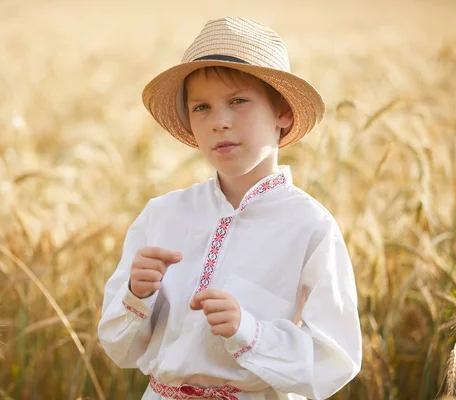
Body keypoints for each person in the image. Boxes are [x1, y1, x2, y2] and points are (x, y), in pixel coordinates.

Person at [97, 16, 362, 400]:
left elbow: (335, 360)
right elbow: (120, 349)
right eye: (201, 107)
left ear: (283, 113)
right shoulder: (162, 214)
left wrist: (249, 331)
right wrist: (137, 294)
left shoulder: (311, 226)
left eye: (238, 101)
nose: (219, 121)